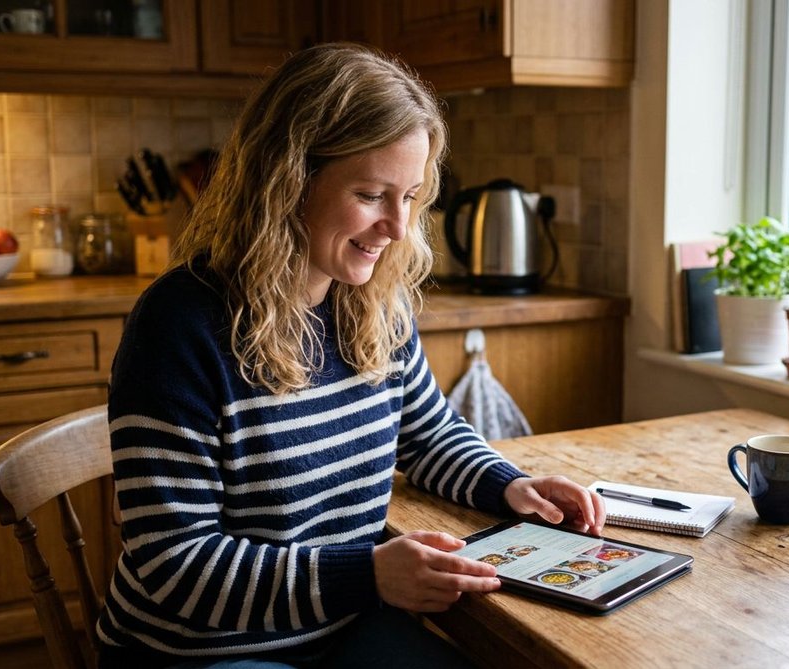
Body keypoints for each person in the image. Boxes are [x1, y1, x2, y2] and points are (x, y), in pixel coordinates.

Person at [96, 43, 605, 669]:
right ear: (286, 183)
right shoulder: (181, 326)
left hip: (335, 630)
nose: (397, 226)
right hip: (196, 652)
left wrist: (513, 486)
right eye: (370, 194)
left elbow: (429, 439)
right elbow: (176, 563)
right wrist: (368, 576)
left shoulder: (373, 306)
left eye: (411, 196)